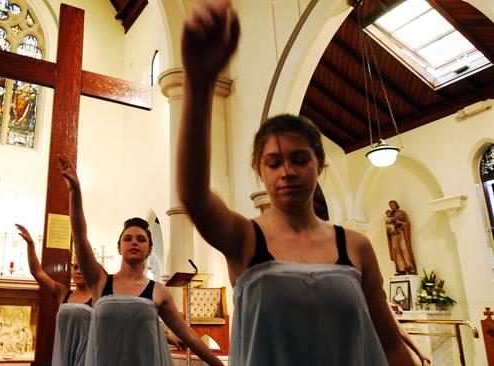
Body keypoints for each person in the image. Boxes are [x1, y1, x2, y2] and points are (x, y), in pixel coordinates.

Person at [177, 1, 415, 365]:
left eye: (299, 159)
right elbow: (193, 195)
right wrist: (199, 83)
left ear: (319, 165)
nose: (287, 171)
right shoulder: (243, 237)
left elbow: (391, 346)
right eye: (274, 162)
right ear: (260, 169)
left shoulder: (355, 246)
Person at [58, 156, 223, 366]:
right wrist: (75, 192)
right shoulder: (100, 281)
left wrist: (220, 365)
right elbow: (80, 237)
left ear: (149, 249)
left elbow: (188, 335)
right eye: (127, 238)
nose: (134, 242)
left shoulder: (159, 292)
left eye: (141, 239)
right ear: (119, 247)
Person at [16, 224, 92, 366]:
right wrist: (31, 244)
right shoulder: (63, 293)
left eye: (83, 267)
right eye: (75, 267)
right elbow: (37, 272)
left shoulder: (98, 296)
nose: (79, 271)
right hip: (62, 355)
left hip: (86, 358)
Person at [387, 200, 417, 274]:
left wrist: (399, 222)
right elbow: (388, 225)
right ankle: (400, 269)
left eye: (392, 205)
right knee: (396, 251)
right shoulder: (390, 215)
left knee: (404, 249)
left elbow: (407, 223)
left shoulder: (402, 213)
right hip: (394, 235)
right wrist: (389, 230)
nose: (391, 207)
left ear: (396, 205)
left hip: (401, 233)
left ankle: (410, 267)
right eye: (390, 206)